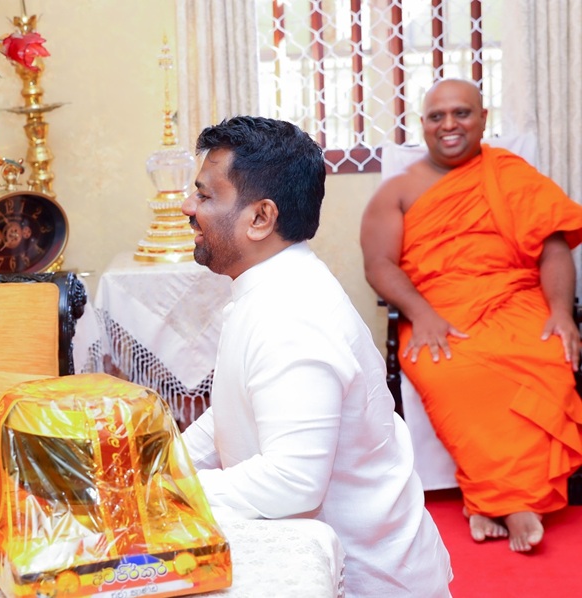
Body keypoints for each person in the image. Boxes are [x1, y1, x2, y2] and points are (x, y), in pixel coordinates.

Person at [180, 116, 452, 597]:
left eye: (204, 196)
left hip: (367, 578)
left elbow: (293, 482)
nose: (188, 207)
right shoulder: (273, 283)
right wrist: (163, 463)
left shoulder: (291, 316)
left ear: (260, 218)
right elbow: (233, 408)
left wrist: (165, 491)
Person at [360, 78, 582, 552]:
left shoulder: (511, 174)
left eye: (461, 113)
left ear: (483, 119)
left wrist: (563, 313)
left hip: (515, 299)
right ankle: (514, 505)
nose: (450, 124)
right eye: (437, 116)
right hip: (436, 310)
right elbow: (379, 264)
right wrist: (421, 313)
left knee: (548, 354)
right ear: (423, 125)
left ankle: (491, 502)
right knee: (451, 370)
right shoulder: (399, 191)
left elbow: (554, 249)